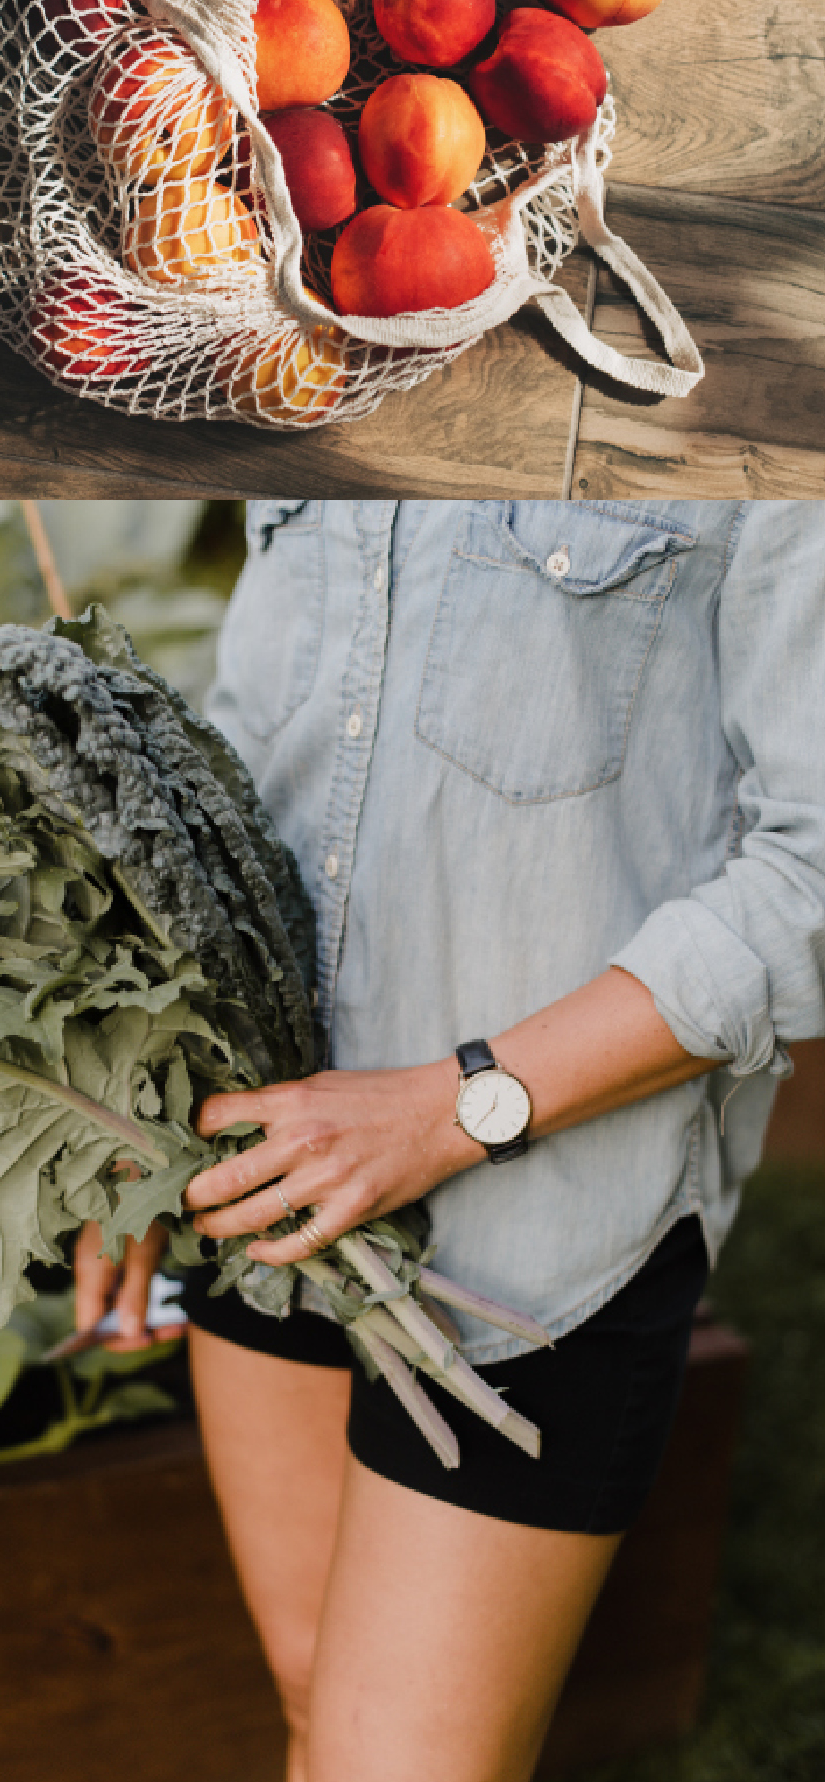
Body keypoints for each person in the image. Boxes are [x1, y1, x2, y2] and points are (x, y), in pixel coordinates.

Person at [76, 499, 825, 1782]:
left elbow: (809, 873)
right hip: (272, 1183)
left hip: (552, 1243)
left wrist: (451, 1107)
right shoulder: (325, 357)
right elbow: (262, 749)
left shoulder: (771, 394)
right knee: (316, 1705)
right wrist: (135, 1109)